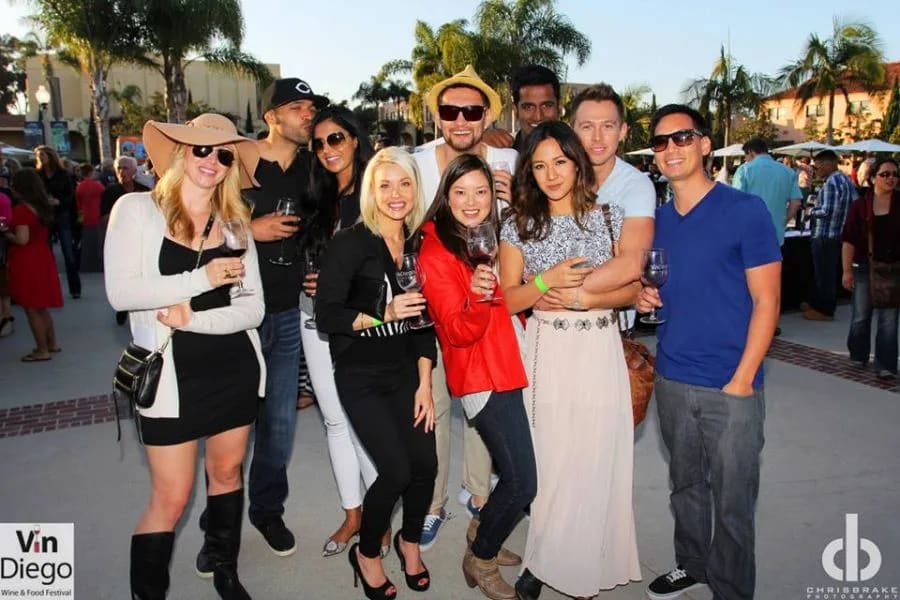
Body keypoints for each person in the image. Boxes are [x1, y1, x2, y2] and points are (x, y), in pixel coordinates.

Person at [105, 113, 265, 599]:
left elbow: (253, 308)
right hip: (169, 378)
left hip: (233, 369)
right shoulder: (136, 210)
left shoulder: (235, 225)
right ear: (180, 152)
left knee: (227, 473)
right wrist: (203, 279)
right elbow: (122, 293)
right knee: (171, 498)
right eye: (202, 149)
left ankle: (224, 569)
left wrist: (193, 318)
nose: (212, 160)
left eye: (224, 154)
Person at [637, 105, 781, 600]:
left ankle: (732, 589)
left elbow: (767, 301)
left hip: (731, 383)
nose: (671, 149)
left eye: (682, 138)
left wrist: (742, 379)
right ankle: (692, 564)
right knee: (686, 487)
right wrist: (643, 297)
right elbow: (656, 288)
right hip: (673, 377)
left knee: (734, 502)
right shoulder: (656, 222)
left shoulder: (745, 211)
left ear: (704, 144)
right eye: (660, 142)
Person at [499, 121, 642, 598]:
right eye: (539, 166)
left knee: (595, 458)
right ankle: (542, 560)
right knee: (550, 462)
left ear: (578, 163)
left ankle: (585, 566)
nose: (551, 174)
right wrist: (545, 283)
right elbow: (506, 300)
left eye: (559, 162)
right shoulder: (518, 224)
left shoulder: (609, 217)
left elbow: (633, 289)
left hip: (599, 347)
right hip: (547, 350)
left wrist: (583, 298)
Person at [316, 147, 437, 600]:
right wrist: (383, 313)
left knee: (426, 465)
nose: (395, 194)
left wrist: (425, 383)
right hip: (360, 373)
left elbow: (424, 322)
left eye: (404, 183)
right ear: (371, 191)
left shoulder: (418, 245)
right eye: (384, 185)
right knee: (396, 471)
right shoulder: (350, 242)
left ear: (416, 189)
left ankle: (410, 543)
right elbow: (327, 314)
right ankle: (367, 553)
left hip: (406, 369)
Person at [417, 154, 536, 599]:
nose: (472, 201)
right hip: (483, 375)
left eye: (481, 191)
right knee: (522, 481)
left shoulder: (480, 237)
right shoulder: (436, 251)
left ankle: (480, 529)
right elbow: (457, 332)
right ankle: (480, 556)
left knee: (516, 472)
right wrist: (478, 296)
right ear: (445, 197)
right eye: (461, 192)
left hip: (507, 363)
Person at [413, 64, 519, 548]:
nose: (461, 119)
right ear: (437, 116)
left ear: (487, 117)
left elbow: (527, 226)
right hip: (431, 304)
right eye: (451, 110)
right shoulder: (416, 162)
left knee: (482, 409)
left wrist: (517, 199)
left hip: (484, 304)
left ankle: (479, 495)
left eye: (472, 111)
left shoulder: (508, 161)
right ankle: (431, 504)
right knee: (433, 410)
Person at [225, 77, 327, 566]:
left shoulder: (314, 167)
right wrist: (251, 230)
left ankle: (267, 511)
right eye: (297, 107)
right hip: (237, 313)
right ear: (271, 116)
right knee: (231, 426)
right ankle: (220, 525)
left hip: (286, 311)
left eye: (311, 108)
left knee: (280, 425)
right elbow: (203, 222)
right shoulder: (240, 160)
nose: (308, 115)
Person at [303, 105, 381, 558]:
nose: (327, 149)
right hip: (313, 318)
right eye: (319, 143)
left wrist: (339, 284)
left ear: (354, 139)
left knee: (362, 421)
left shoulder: (375, 191)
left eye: (335, 138)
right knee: (334, 420)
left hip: (358, 321)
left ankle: (377, 515)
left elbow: (387, 258)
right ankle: (353, 514)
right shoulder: (318, 196)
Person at [569, 84, 655, 320]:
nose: (597, 137)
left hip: (611, 324)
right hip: (551, 323)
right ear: (572, 130)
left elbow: (632, 262)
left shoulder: (636, 185)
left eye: (607, 126)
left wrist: (559, 291)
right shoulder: (556, 178)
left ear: (623, 131)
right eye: (587, 126)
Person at [841, 157, 900, 379]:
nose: (891, 178)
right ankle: (858, 354)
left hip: (892, 269)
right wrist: (846, 270)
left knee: (889, 319)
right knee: (861, 315)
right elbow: (848, 240)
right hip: (864, 266)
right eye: (885, 174)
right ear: (873, 178)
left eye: (895, 174)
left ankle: (885, 364)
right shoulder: (860, 205)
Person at [2, 168, 63, 361]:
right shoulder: (43, 207)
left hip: (27, 261)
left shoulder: (22, 210)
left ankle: (41, 349)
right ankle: (52, 343)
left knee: (31, 307)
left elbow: (22, 239)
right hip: (42, 257)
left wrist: (6, 232)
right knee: (41, 306)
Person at [805, 149, 858, 321]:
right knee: (828, 272)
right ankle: (818, 303)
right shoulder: (846, 180)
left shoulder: (832, 182)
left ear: (828, 164)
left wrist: (810, 211)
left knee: (824, 274)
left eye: (817, 166)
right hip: (838, 235)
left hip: (825, 235)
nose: (815, 170)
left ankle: (825, 310)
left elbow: (827, 210)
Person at [101, 155, 151, 325]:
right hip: (119, 240)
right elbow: (103, 217)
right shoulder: (110, 192)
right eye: (119, 168)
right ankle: (122, 308)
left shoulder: (144, 190)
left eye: (125, 168)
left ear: (134, 170)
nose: (122, 172)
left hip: (142, 239)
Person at [35, 145, 80, 299]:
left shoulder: (63, 175)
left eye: (42, 155)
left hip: (62, 214)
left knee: (68, 252)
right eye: (38, 156)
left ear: (50, 156)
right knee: (46, 254)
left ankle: (75, 288)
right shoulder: (38, 175)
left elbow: (71, 196)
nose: (40, 158)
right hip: (44, 215)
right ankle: (50, 288)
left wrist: (59, 201)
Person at [75, 163, 105, 272]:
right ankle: (98, 265)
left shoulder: (79, 187)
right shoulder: (98, 185)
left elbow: (78, 203)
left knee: (87, 243)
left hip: (85, 216)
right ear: (91, 172)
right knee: (99, 242)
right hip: (98, 215)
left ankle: (87, 265)